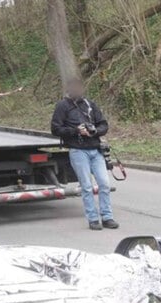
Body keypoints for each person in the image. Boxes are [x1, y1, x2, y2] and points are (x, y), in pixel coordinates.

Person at [50, 77, 118, 230]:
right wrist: (75, 131)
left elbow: (103, 125)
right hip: (78, 151)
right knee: (86, 186)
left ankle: (107, 217)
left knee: (104, 184)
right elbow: (55, 129)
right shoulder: (62, 106)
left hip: (95, 149)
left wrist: (94, 132)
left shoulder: (89, 104)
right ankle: (93, 219)